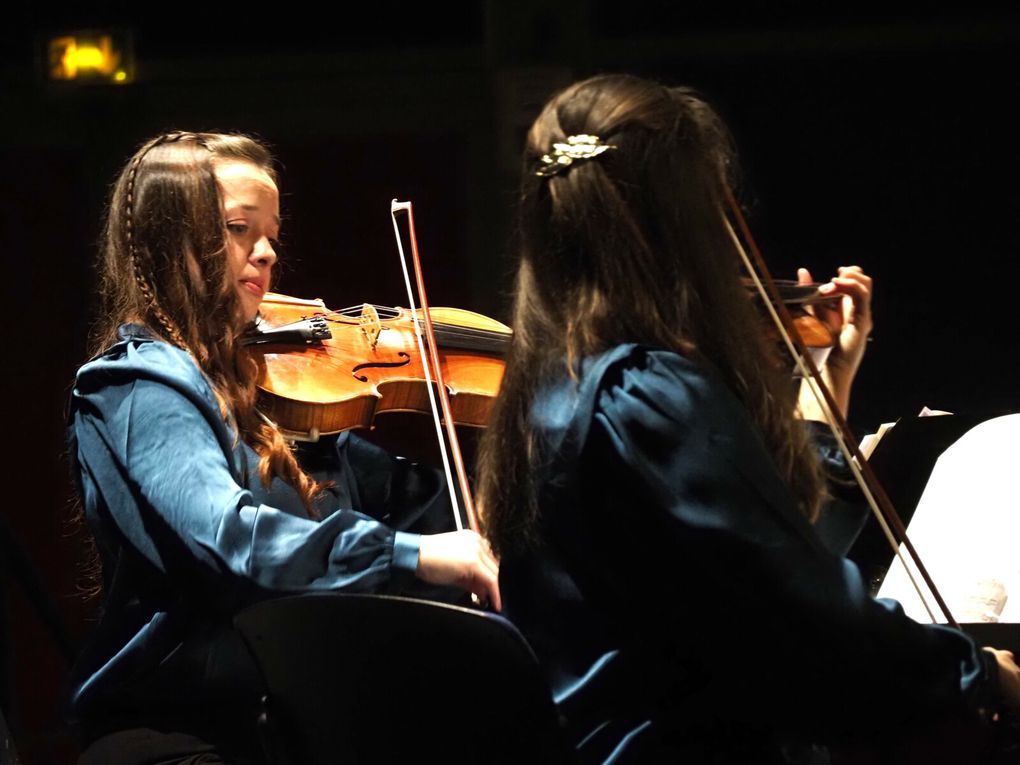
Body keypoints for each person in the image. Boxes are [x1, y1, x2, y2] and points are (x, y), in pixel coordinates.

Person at [476, 74, 1020, 764]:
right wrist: (977, 674)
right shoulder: (644, 390)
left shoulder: (546, 392)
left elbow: (762, 558)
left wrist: (828, 385)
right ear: (685, 218)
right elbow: (808, 618)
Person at [66, 131, 500, 764]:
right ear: (171, 239)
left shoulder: (264, 394)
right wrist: (415, 556)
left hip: (290, 731)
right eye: (241, 228)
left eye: (271, 233)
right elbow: (232, 539)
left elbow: (418, 502)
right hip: (185, 740)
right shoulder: (137, 385)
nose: (266, 254)